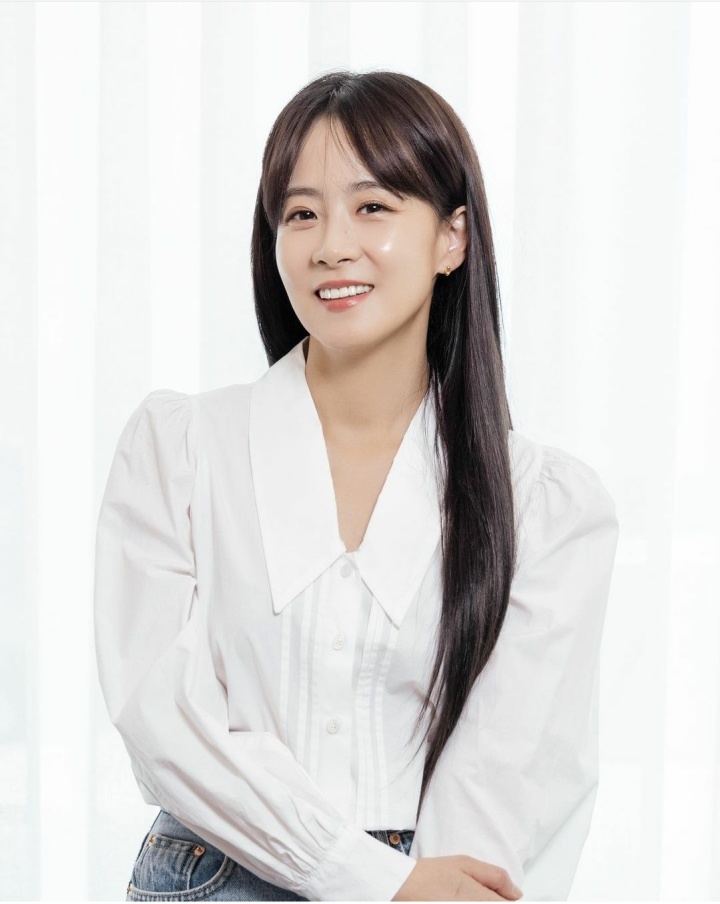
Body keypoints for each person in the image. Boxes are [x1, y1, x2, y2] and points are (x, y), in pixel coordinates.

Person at [93, 69, 619, 902]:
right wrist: (366, 876)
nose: (332, 245)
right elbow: (161, 721)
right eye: (301, 213)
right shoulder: (183, 449)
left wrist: (414, 888)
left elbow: (509, 771)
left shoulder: (541, 502)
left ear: (452, 239)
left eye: (373, 206)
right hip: (211, 876)